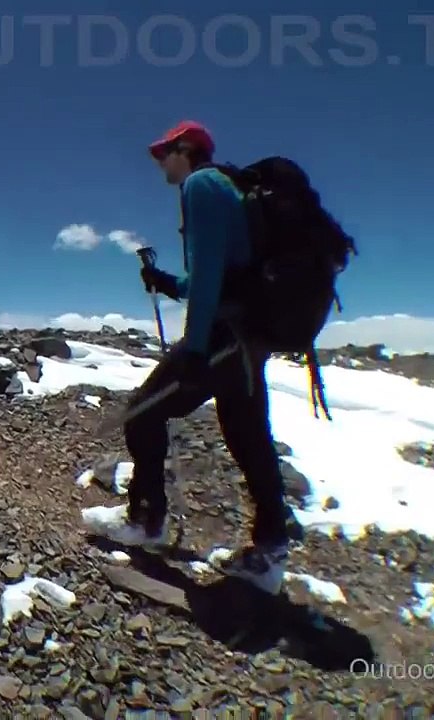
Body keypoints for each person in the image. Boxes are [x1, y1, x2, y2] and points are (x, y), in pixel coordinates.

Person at [97, 120, 290, 595]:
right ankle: (269, 553)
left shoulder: (201, 184)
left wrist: (196, 349)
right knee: (248, 438)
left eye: (165, 152)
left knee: (142, 415)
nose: (161, 161)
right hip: (249, 338)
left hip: (223, 337)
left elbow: (206, 276)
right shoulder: (228, 188)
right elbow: (217, 275)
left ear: (187, 150)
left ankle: (147, 521)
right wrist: (167, 282)